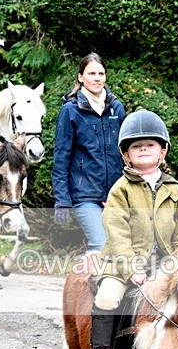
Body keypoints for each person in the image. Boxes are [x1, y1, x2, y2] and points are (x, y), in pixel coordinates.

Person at [90, 109, 178, 349]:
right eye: (135, 146)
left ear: (162, 151)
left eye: (149, 144)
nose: (142, 149)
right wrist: (130, 268)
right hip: (123, 264)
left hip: (165, 265)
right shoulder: (121, 190)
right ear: (126, 155)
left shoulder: (176, 190)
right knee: (107, 298)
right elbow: (116, 231)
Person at [52, 53, 126, 252]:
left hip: (116, 194)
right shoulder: (70, 110)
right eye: (91, 73)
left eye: (101, 73)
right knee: (100, 246)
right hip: (85, 195)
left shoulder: (116, 108)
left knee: (123, 248)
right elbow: (61, 158)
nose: (97, 78)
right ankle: (92, 283)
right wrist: (62, 200)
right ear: (80, 77)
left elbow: (126, 152)